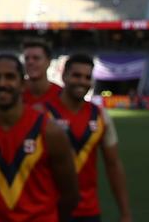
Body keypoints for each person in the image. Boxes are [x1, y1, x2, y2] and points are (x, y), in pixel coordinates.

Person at [0, 53, 79, 222]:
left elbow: (70, 194)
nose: (2, 83)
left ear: (22, 84)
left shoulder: (49, 131)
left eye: (10, 77)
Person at [43, 55, 131, 222]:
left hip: (88, 211)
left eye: (87, 77)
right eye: (76, 75)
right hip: (50, 209)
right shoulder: (42, 113)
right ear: (64, 76)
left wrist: (125, 213)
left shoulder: (100, 116)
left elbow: (113, 165)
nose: (82, 81)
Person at [22, 38, 62, 110]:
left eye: (36, 58)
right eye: (26, 58)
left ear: (48, 62)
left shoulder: (62, 95)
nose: (30, 62)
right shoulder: (15, 92)